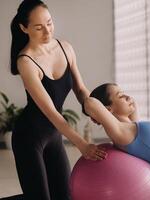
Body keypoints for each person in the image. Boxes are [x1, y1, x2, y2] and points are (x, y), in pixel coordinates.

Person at [6, 1, 107, 200]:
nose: (47, 31)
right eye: (38, 27)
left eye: (50, 23)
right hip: (29, 138)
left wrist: (97, 112)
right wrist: (82, 144)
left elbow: (80, 89)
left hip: (53, 135)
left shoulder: (65, 48)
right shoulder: (26, 62)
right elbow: (51, 112)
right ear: (24, 28)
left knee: (64, 197)